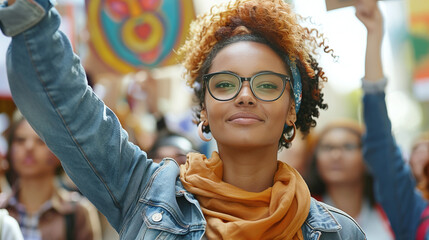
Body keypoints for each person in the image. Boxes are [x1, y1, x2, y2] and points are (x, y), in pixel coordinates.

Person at [0, 0, 366, 239]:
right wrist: (31, 17)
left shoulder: (339, 233)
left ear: (291, 108)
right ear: (204, 108)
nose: (245, 94)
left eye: (266, 84)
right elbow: (66, 107)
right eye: (224, 84)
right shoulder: (143, 192)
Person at [356, 0, 429, 238]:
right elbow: (380, 140)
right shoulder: (410, 208)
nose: (423, 152)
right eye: (417, 149)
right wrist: (375, 34)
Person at [0, 111, 102, 239]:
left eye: (40, 141)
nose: (29, 147)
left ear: (59, 150)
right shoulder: (2, 210)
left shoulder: (78, 212)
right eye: (20, 140)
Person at [306, 120, 394, 240]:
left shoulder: (390, 213)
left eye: (348, 147)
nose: (336, 155)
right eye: (327, 147)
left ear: (367, 156)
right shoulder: (302, 212)